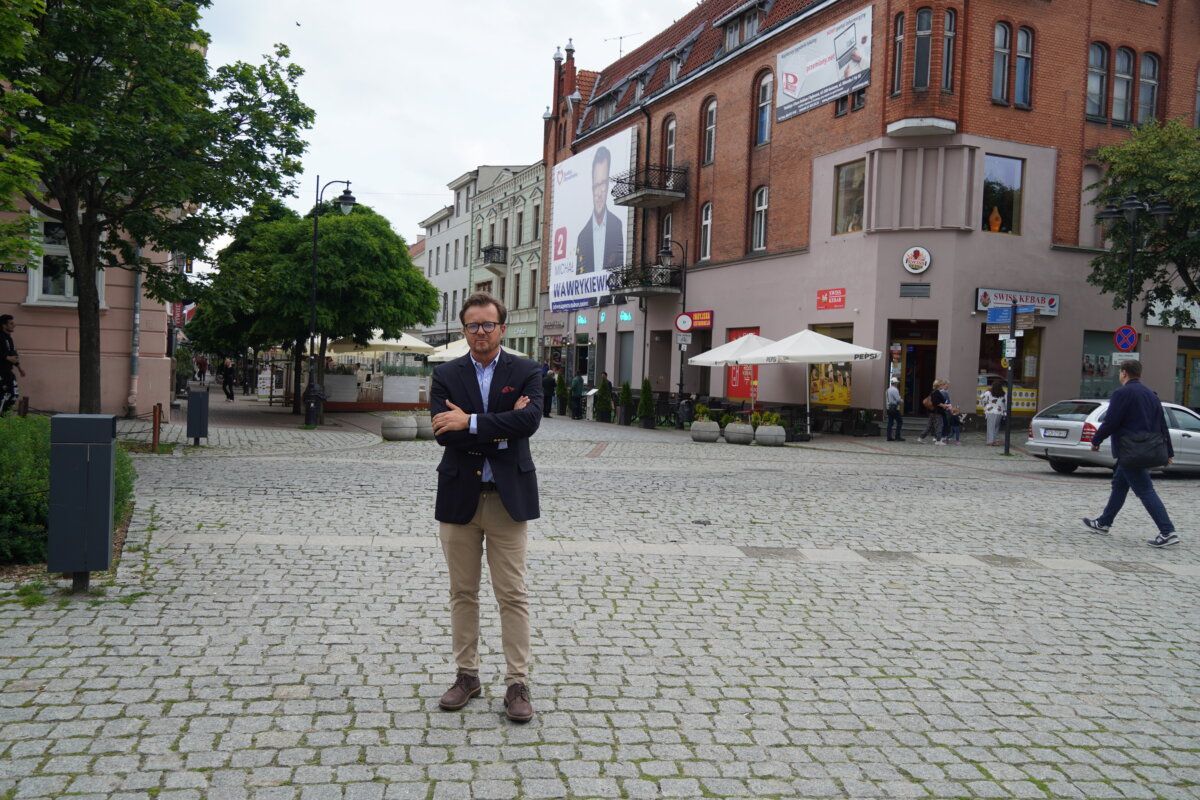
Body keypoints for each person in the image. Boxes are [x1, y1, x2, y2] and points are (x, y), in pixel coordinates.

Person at [430, 291, 543, 722]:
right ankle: (467, 675)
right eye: (473, 325)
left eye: (488, 324)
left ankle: (517, 683)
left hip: (507, 501)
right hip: (459, 497)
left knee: (512, 594)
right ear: (464, 330)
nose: (481, 332)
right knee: (463, 593)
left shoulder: (527, 371)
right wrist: (501, 426)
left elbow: (529, 422)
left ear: (502, 328)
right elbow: (444, 434)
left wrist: (471, 421)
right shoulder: (445, 374)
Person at [1083, 359, 1178, 548]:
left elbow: (1111, 422)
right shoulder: (1152, 395)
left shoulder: (1122, 393)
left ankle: (1167, 531)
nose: (1120, 375)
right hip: (1145, 448)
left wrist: (1096, 440)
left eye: (1120, 372)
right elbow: (1162, 424)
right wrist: (1169, 451)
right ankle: (1104, 522)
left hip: (1130, 451)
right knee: (1120, 485)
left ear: (1124, 373)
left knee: (1145, 490)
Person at [575, 146, 624, 274]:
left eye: (603, 184)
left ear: (608, 185)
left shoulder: (617, 226)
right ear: (592, 187)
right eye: (596, 185)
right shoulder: (582, 237)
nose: (599, 193)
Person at [1, 314, 26, 416]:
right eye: (11, 323)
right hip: (1, 372)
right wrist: (7, 357)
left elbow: (13, 355)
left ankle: (3, 416)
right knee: (4, 395)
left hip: (8, 371)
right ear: (4, 325)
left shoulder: (9, 338)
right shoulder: (0, 337)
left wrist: (20, 368)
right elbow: (6, 355)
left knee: (13, 395)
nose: (14, 325)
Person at [917, 379, 949, 444]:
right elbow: (936, 402)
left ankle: (920, 438)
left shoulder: (933, 392)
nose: (942, 386)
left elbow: (935, 401)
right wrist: (944, 405)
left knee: (929, 426)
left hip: (932, 412)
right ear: (939, 385)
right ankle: (938, 441)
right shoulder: (937, 392)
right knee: (939, 426)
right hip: (937, 412)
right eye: (941, 384)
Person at [980, 380, 1006, 446]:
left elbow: (982, 398)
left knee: (990, 427)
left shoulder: (988, 393)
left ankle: (990, 441)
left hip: (990, 412)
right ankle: (994, 440)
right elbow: (1005, 403)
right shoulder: (1003, 394)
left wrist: (985, 406)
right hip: (999, 412)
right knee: (996, 427)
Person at [885, 377, 904, 441]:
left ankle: (889, 437)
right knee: (900, 421)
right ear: (895, 383)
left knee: (890, 422)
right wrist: (902, 400)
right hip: (894, 408)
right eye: (897, 383)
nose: (897, 384)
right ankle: (897, 436)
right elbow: (898, 400)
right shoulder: (895, 390)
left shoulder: (888, 390)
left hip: (889, 408)